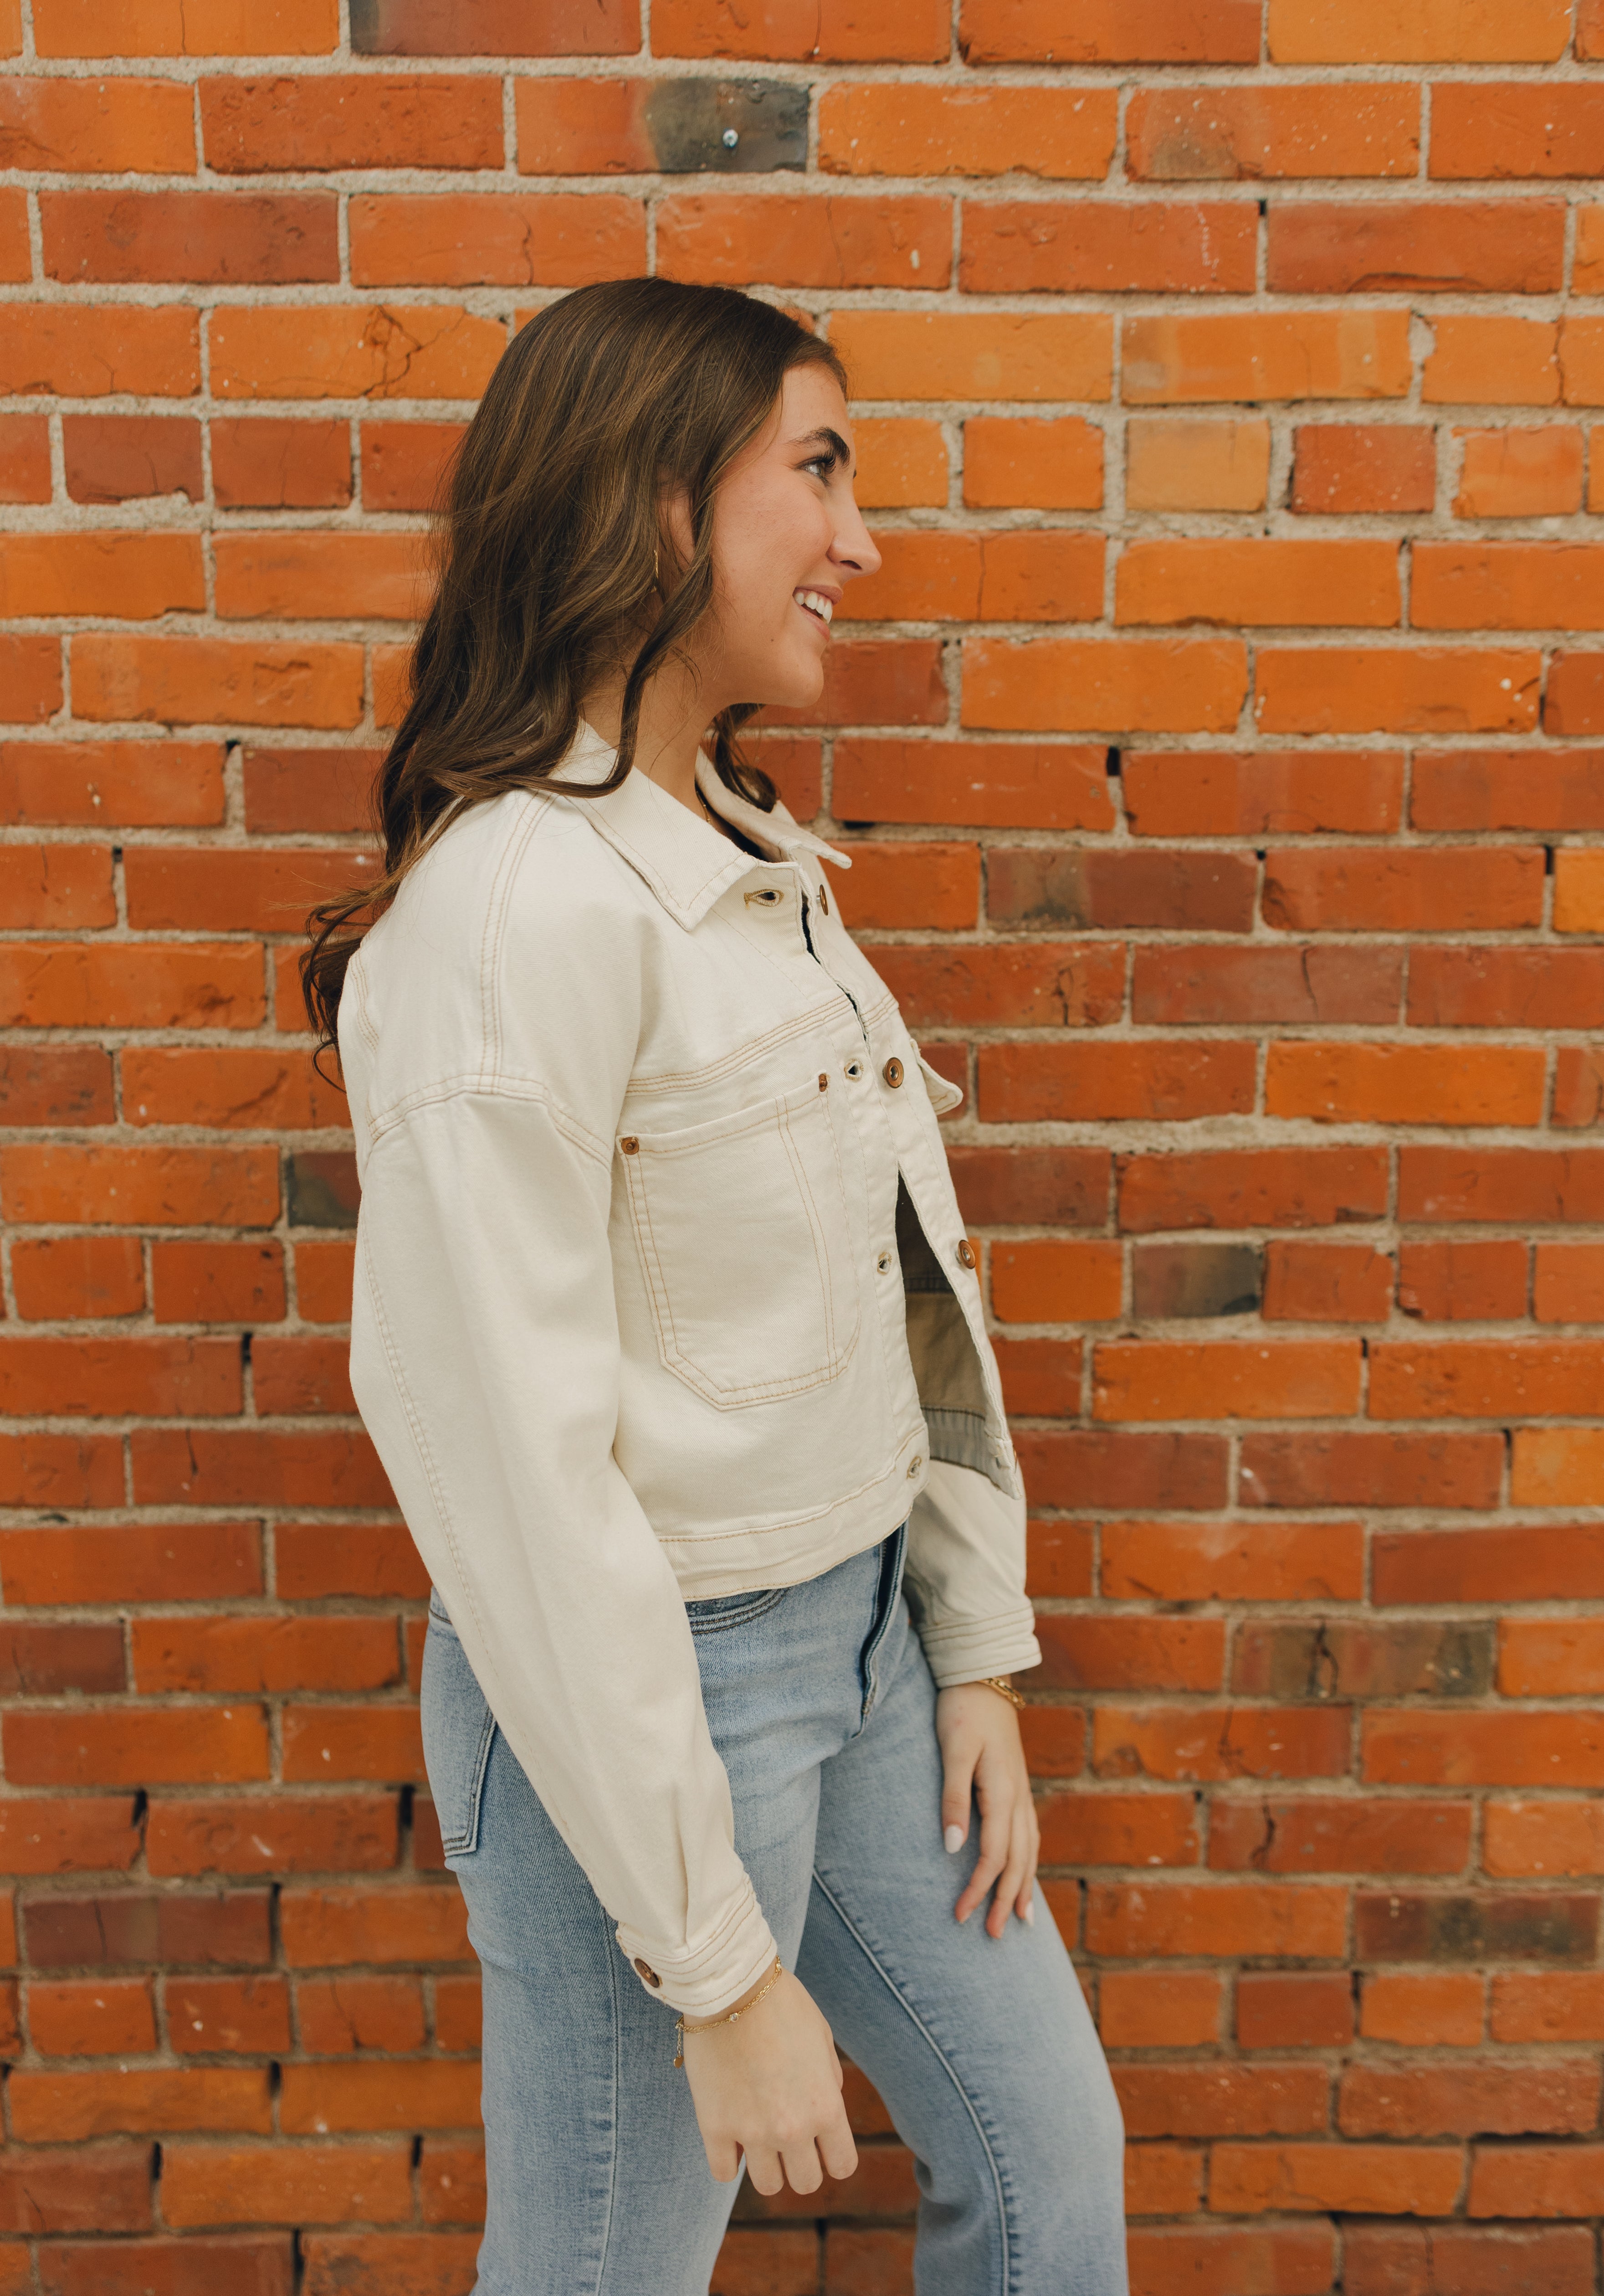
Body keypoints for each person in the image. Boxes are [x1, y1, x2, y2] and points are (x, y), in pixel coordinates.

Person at [304, 277, 1126, 2295]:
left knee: (1047, 2166)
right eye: (816, 471)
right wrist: (715, 1962)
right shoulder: (513, 919)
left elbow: (899, 1271)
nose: (861, 540)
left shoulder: (738, 852)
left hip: (859, 1650)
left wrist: (966, 1645)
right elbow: (511, 1480)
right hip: (653, 1704)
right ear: (657, 503)